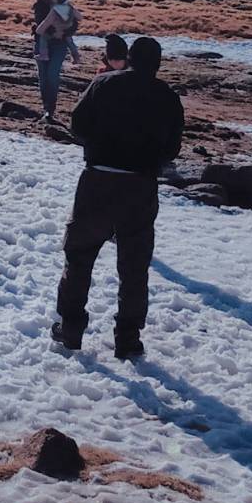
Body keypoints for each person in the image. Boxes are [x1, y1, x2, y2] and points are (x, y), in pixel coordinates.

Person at [52, 36, 184, 361]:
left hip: (97, 178)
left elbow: (77, 125)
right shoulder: (167, 97)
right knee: (134, 264)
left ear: (129, 57)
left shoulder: (103, 84)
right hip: (140, 186)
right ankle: (127, 339)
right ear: (157, 64)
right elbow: (172, 149)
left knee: (80, 254)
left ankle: (70, 328)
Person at [34, 0, 80, 123]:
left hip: (56, 44)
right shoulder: (42, 6)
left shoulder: (56, 8)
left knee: (51, 75)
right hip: (51, 42)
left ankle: (50, 109)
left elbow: (40, 28)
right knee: (45, 77)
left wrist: (62, 31)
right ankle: (47, 108)